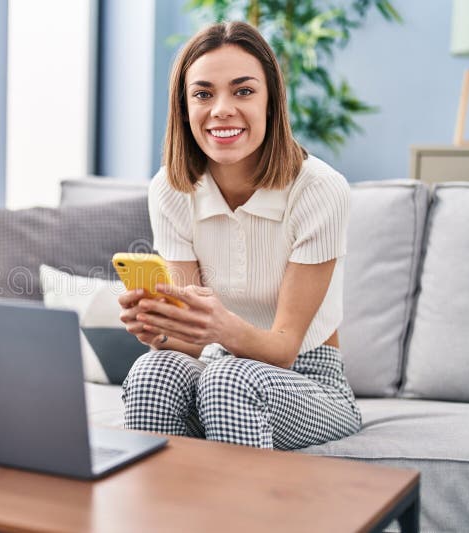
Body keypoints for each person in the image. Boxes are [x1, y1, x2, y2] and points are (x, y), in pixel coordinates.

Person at [118, 21, 361, 450]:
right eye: (204, 93)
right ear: (184, 107)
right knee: (152, 371)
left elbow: (285, 348)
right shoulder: (170, 190)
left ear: (271, 103)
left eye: (243, 91)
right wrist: (158, 330)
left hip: (311, 381)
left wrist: (220, 327)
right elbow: (190, 343)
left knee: (228, 379)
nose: (221, 109)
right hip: (218, 368)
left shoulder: (319, 189)